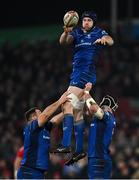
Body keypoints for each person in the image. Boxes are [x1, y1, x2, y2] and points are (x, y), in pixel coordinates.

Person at [55, 10, 114, 162]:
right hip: (76, 73)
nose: (86, 22)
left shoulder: (98, 32)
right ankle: (80, 150)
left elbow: (110, 39)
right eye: (84, 20)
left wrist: (104, 40)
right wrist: (66, 31)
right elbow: (63, 42)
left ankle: (66, 144)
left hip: (85, 74)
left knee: (67, 103)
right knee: (78, 113)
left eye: (89, 20)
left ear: (93, 22)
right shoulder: (76, 33)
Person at [17, 91, 70, 179]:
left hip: (39, 173)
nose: (43, 114)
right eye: (39, 113)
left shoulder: (43, 129)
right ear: (33, 117)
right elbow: (45, 116)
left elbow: (54, 121)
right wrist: (59, 101)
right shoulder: (31, 127)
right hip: (28, 171)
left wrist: (67, 112)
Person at [71, 82, 118, 179]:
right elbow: (87, 110)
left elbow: (92, 108)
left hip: (98, 157)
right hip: (100, 157)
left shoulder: (107, 116)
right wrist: (82, 95)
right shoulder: (104, 119)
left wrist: (87, 91)